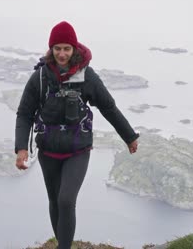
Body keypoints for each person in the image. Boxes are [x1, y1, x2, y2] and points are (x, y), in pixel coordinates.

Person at [14, 21, 139, 249]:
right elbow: (24, 113)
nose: (62, 54)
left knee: (66, 200)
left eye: (67, 48)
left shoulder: (86, 76)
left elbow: (108, 107)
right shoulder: (40, 77)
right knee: (54, 201)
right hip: (48, 150)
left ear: (74, 49)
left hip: (77, 149)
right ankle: (64, 244)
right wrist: (21, 148)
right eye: (58, 48)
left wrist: (129, 136)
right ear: (51, 49)